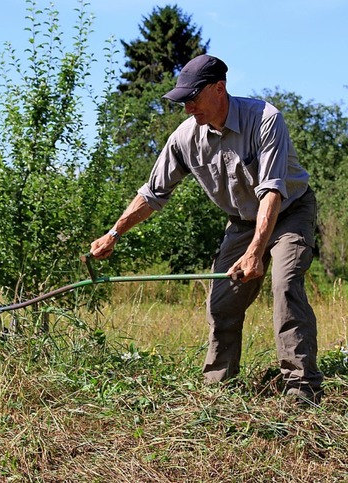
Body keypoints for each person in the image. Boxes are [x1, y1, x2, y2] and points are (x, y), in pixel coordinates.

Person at [90, 54, 323, 404]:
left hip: (289, 211)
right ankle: (219, 386)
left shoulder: (264, 119)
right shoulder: (185, 138)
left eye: (193, 99)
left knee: (285, 283)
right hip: (243, 221)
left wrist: (255, 253)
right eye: (183, 101)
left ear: (219, 89)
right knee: (222, 301)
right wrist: (114, 233)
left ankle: (301, 387)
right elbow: (152, 193)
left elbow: (273, 190)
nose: (187, 109)